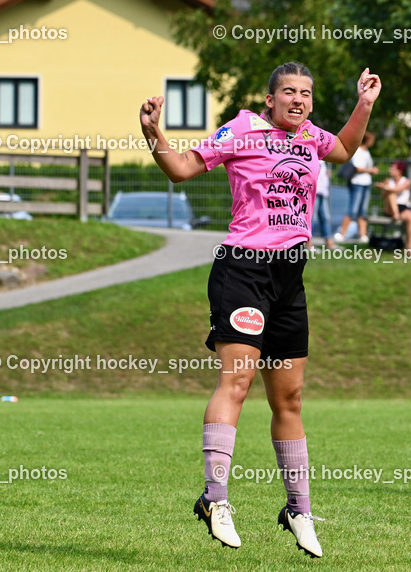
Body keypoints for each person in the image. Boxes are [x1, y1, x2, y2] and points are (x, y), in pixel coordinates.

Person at [139, 62, 381, 558]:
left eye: (306, 93)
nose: (298, 99)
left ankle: (298, 509)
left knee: (288, 400)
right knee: (238, 382)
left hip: (290, 278)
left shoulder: (312, 137)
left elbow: (345, 149)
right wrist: (153, 133)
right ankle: (215, 498)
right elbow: (182, 168)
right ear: (270, 99)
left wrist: (365, 104)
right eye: (288, 92)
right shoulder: (244, 128)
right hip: (243, 272)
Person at [334, 132, 378, 243]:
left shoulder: (366, 152)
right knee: (352, 209)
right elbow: (358, 168)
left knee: (362, 210)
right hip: (357, 183)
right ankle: (341, 233)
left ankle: (362, 235)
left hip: (365, 183)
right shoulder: (357, 151)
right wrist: (371, 170)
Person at [376, 161, 411, 251]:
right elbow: (383, 196)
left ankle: (410, 247)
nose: (390, 170)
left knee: (410, 218)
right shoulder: (388, 181)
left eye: (392, 168)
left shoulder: (406, 181)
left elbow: (398, 190)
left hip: (403, 207)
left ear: (399, 170)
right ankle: (396, 214)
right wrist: (386, 189)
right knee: (391, 194)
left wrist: (385, 187)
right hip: (390, 208)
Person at [311, 160, 336, 248]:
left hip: (323, 191)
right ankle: (309, 243)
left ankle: (328, 241)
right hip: (314, 191)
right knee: (312, 217)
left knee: (325, 217)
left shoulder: (323, 161)